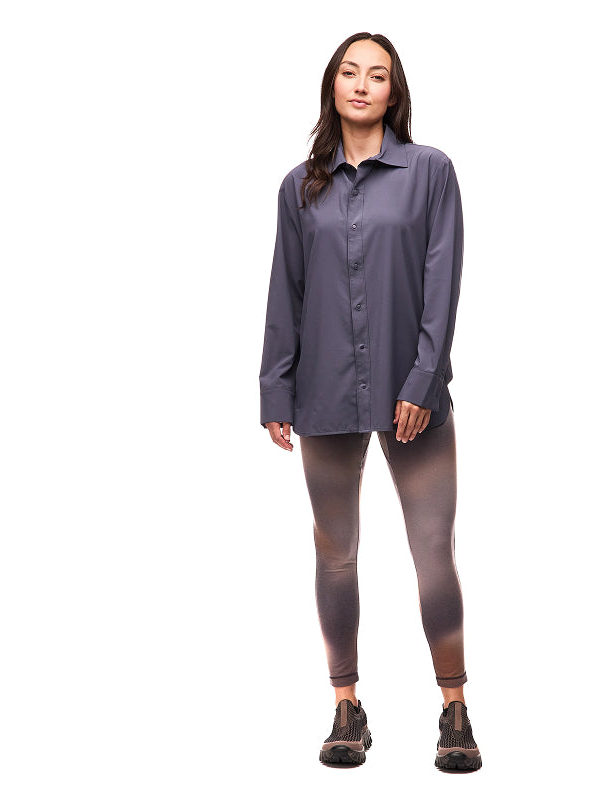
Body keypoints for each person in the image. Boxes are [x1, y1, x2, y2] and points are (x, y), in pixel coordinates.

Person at [258, 32, 481, 772]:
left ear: (394, 91)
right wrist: (275, 386)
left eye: (377, 75)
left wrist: (422, 381)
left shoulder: (430, 173)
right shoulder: (299, 186)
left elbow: (443, 282)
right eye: (350, 72)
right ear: (332, 85)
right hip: (323, 388)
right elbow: (285, 291)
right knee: (335, 553)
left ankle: (455, 709)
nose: (361, 84)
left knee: (433, 550)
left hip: (412, 394)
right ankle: (346, 708)